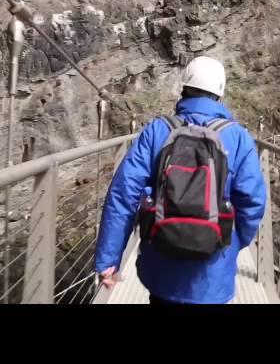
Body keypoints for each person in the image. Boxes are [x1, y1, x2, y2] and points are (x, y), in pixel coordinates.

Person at [94, 56, 267, 304]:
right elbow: (253, 203)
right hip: (212, 277)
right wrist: (230, 243)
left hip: (162, 271)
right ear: (219, 93)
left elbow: (123, 194)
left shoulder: (157, 131)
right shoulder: (239, 138)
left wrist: (109, 260)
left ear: (183, 88)